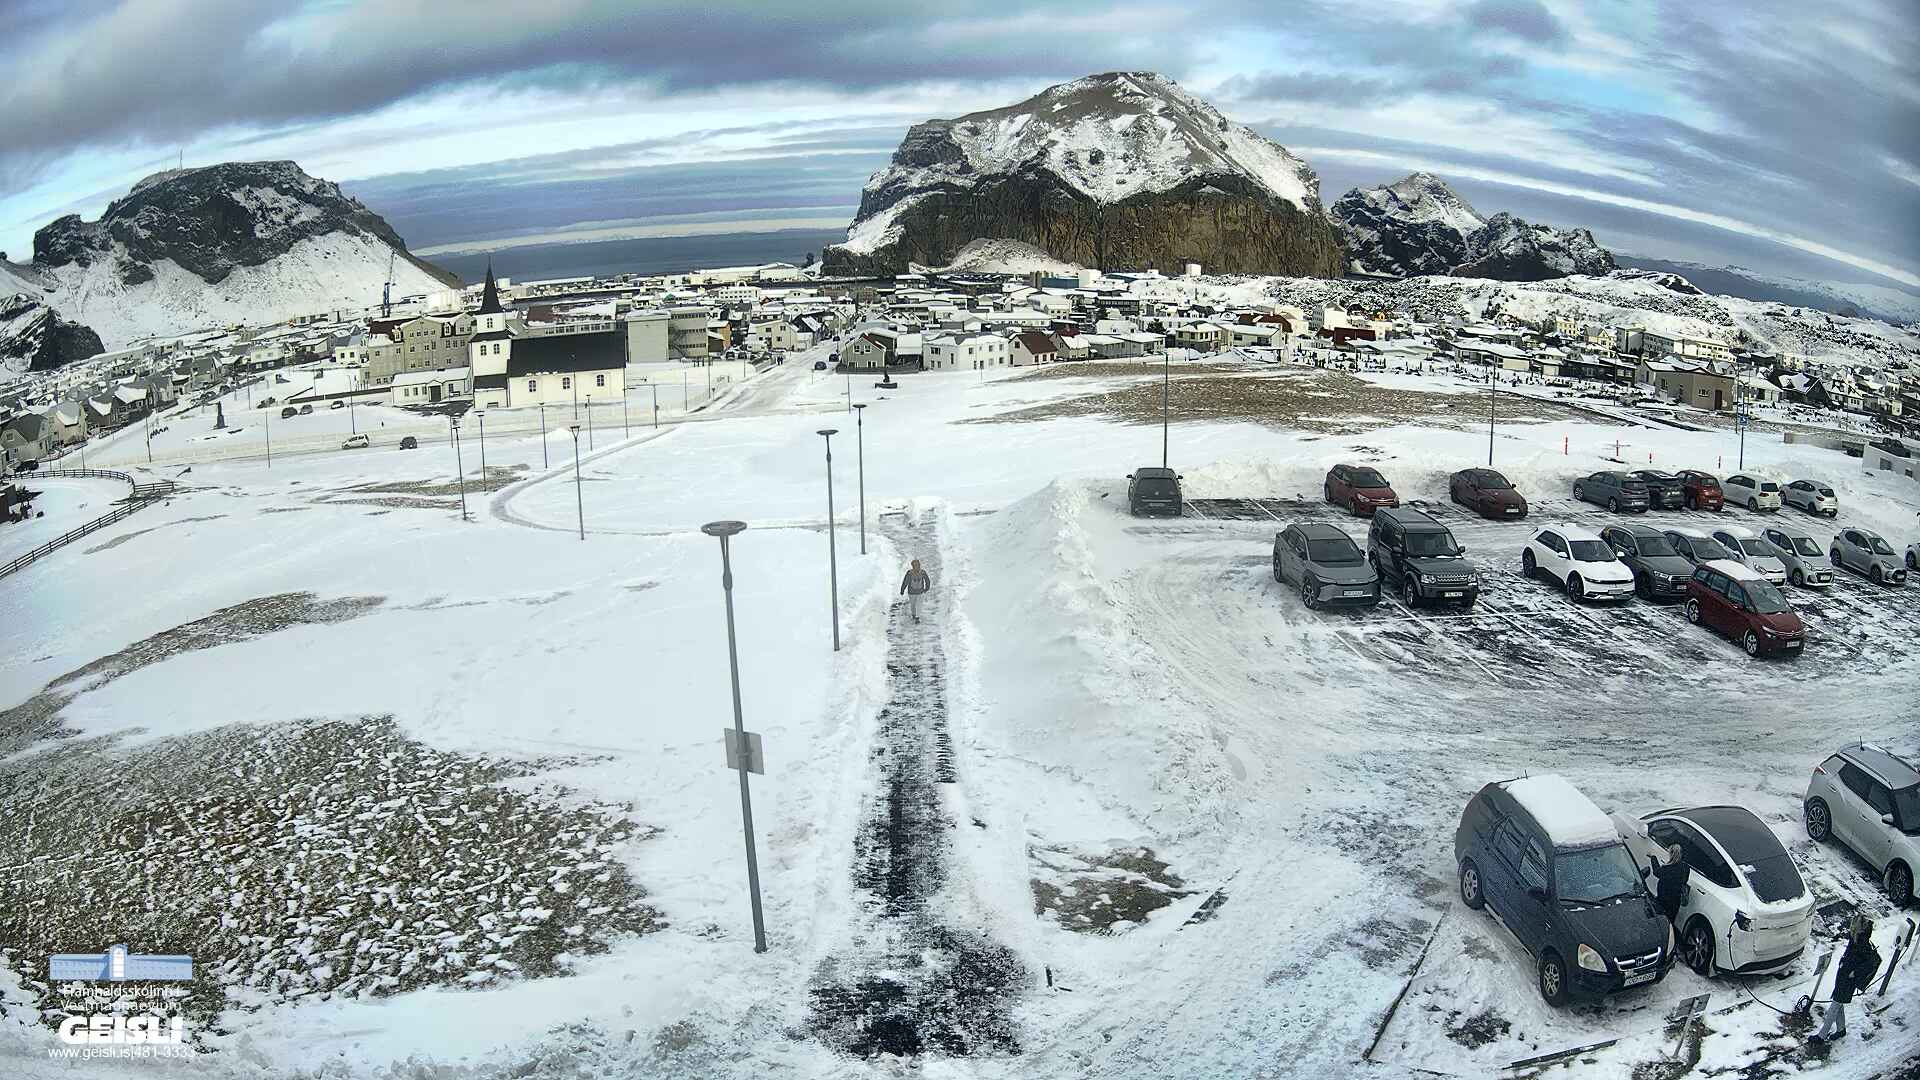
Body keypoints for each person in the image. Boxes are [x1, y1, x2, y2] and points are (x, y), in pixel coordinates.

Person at [1813, 916, 1882, 1044]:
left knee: (1834, 1007)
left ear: (1858, 927)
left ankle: (1821, 1036)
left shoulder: (1862, 942)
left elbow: (1870, 963)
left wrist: (1855, 972)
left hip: (1848, 980)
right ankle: (1841, 1030)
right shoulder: (1855, 939)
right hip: (1843, 976)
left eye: (1853, 924)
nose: (1850, 926)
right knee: (1838, 1003)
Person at [1649, 844, 1690, 924]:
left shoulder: (1667, 868)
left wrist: (1653, 857)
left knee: (1660, 921)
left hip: (1663, 900)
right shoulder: (1686, 867)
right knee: (1670, 921)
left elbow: (1656, 872)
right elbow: (1685, 881)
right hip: (1676, 901)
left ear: (1671, 854)